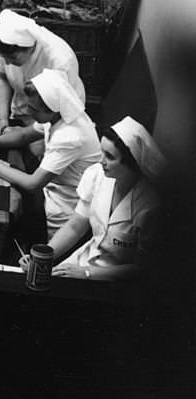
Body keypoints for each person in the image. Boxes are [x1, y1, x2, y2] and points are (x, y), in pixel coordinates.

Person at [0, 68, 101, 239]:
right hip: (50, 190)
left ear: (52, 109)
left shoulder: (69, 136)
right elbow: (24, 135)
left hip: (64, 209)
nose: (28, 111)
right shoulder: (59, 114)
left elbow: (33, 184)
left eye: (33, 109)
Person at [19, 116, 163, 281]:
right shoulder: (97, 175)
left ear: (131, 162)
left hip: (114, 281)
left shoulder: (150, 207)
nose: (101, 161)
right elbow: (75, 226)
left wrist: (88, 273)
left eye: (109, 156)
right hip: (81, 263)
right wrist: (43, 256)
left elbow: (142, 268)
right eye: (102, 152)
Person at [0, 9, 85, 134]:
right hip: (23, 113)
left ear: (29, 48)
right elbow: (1, 76)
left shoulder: (60, 60)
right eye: (4, 58)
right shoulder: (7, 42)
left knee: (34, 149)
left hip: (58, 122)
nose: (7, 63)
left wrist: (23, 134)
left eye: (13, 58)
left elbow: (57, 114)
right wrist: (2, 119)